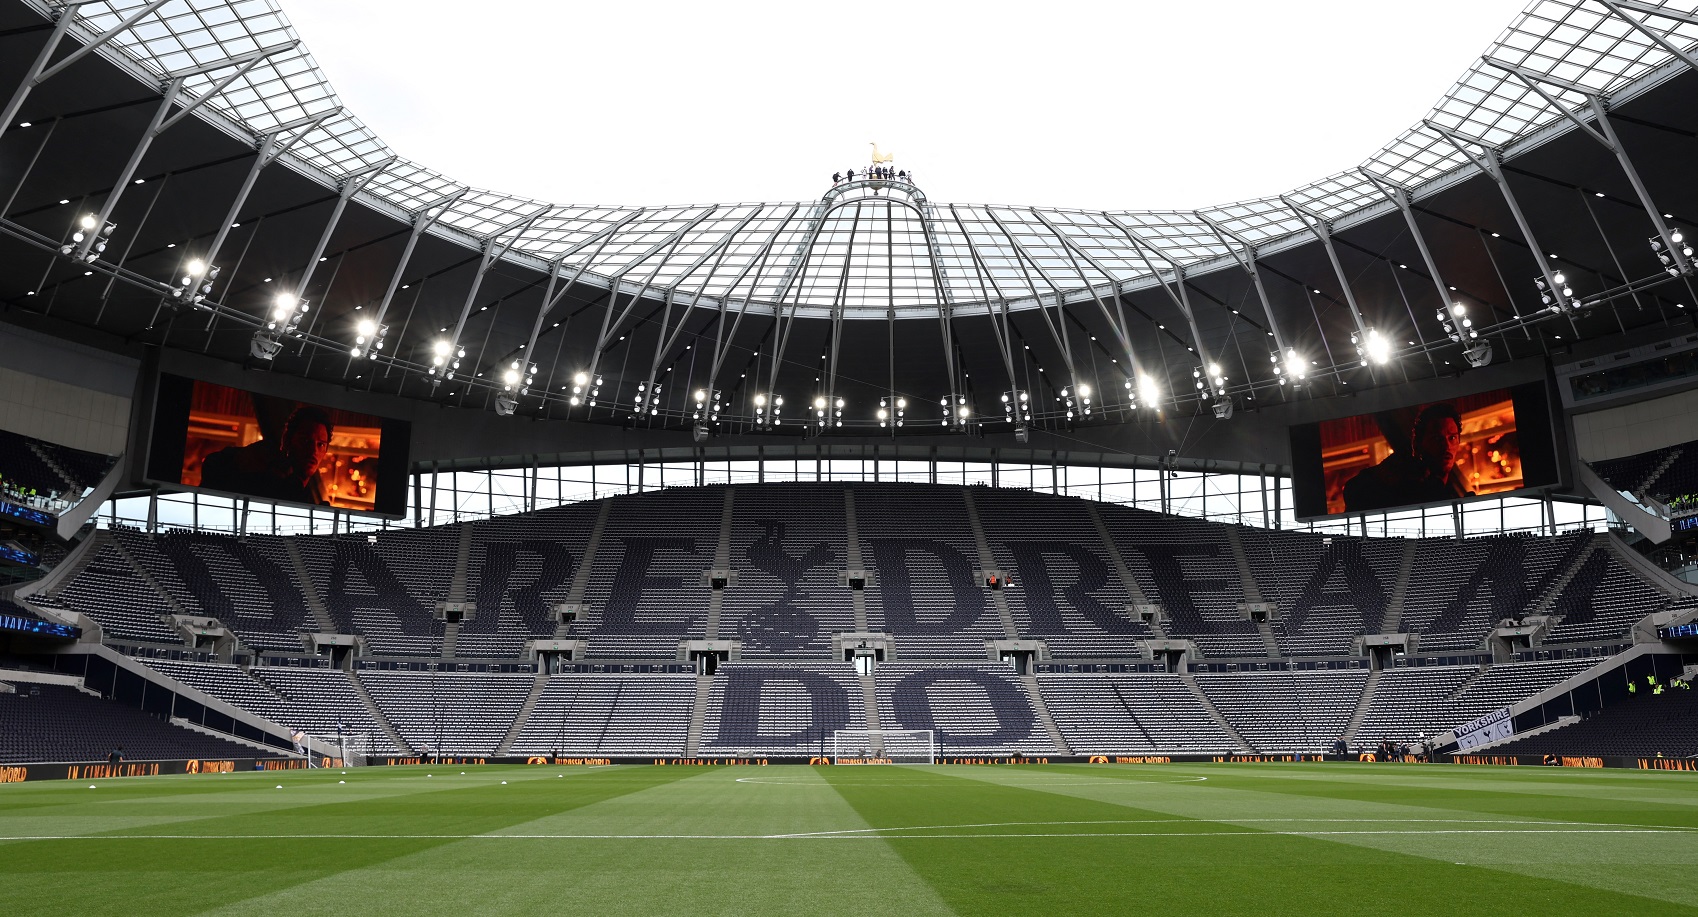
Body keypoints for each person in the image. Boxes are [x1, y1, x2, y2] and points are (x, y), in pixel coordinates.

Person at [1342, 403, 1472, 513]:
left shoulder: (1448, 491)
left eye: (1452, 438)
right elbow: (1354, 490)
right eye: (1436, 438)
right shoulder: (1402, 481)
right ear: (1418, 444)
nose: (1446, 446)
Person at [200, 405, 333, 506]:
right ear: (288, 440)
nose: (313, 450)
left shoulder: (303, 496)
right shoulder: (261, 475)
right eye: (306, 441)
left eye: (321, 444)